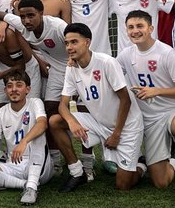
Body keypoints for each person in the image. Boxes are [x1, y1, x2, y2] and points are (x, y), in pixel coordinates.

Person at [0, 0, 87, 191]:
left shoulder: (57, 26)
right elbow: (0, 14)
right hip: (55, 69)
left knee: (86, 108)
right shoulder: (20, 23)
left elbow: (77, 39)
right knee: (49, 113)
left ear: (41, 14)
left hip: (75, 66)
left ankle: (88, 162)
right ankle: (55, 159)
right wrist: (1, 26)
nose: (27, 20)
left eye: (31, 15)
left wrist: (76, 59)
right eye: (23, 16)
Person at [50, 23, 144, 190]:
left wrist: (116, 134)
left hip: (126, 127)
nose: (69, 47)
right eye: (67, 43)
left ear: (87, 42)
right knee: (55, 121)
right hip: (98, 122)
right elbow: (62, 106)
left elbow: (126, 100)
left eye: (74, 42)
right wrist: (72, 122)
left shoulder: (106, 62)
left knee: (123, 185)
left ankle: (142, 165)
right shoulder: (72, 69)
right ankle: (77, 172)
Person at [115, 10, 175, 196]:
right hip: (148, 119)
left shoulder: (166, 52)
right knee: (161, 182)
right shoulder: (125, 55)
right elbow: (106, 73)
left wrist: (157, 91)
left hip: (173, 110)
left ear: (150, 28)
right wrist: (76, 62)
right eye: (131, 27)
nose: (135, 31)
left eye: (140, 26)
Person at [0, 71, 52, 205]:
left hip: (39, 164)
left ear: (27, 89)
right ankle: (24, 185)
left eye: (19, 85)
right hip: (14, 165)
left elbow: (43, 124)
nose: (14, 89)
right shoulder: (1, 112)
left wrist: (24, 141)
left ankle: (31, 187)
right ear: (5, 90)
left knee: (38, 134)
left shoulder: (35, 102)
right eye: (9, 86)